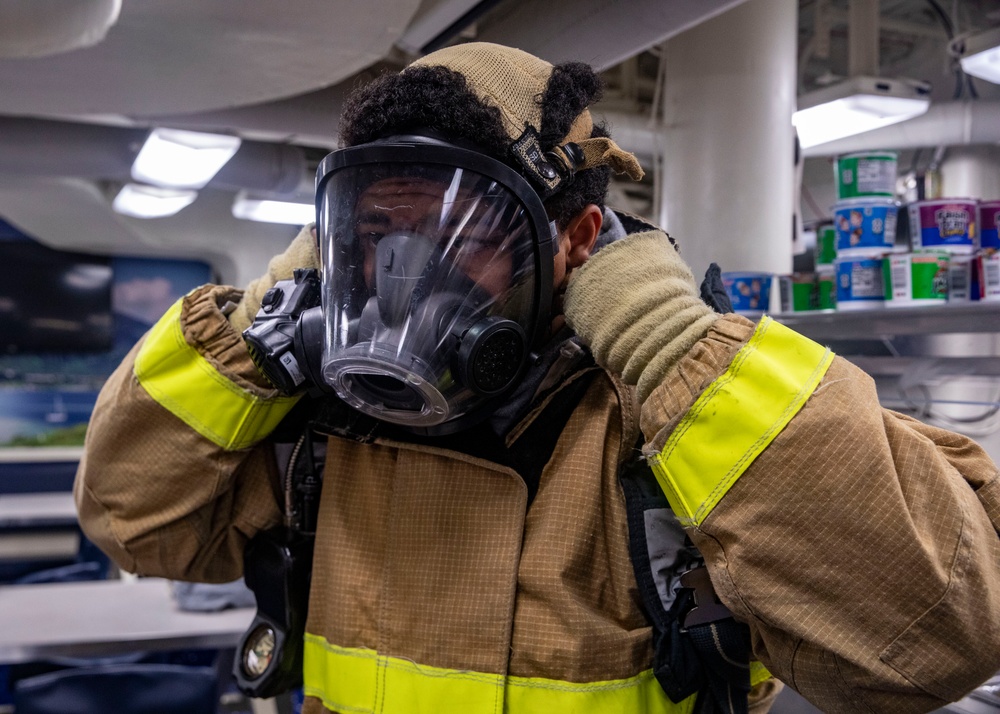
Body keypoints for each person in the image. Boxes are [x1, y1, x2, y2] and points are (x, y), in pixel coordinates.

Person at [74, 42, 1000, 714]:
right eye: (373, 235)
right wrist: (250, 333)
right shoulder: (318, 416)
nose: (405, 273)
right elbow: (134, 524)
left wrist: (670, 345)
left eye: (461, 237)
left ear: (577, 240)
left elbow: (927, 646)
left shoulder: (671, 421)